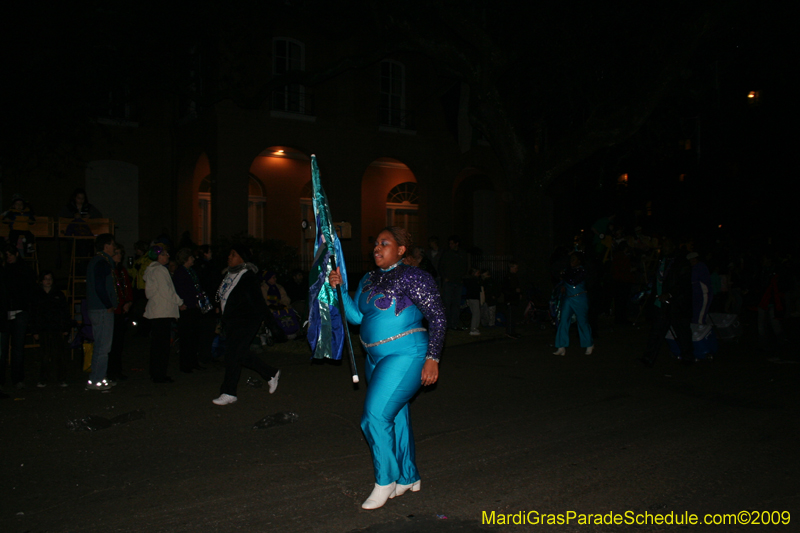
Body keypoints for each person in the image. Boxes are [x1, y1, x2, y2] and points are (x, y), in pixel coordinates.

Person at [329, 226, 445, 510]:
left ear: (401, 249)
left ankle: (386, 480)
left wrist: (433, 357)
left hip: (406, 354)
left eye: (385, 243)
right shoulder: (368, 279)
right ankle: (408, 476)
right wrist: (341, 288)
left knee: (374, 417)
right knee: (396, 418)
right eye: (375, 244)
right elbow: (356, 317)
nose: (377, 248)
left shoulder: (414, 276)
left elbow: (438, 316)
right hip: (374, 359)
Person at [212, 245, 280, 406]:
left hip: (246, 320)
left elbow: (258, 303)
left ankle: (228, 392)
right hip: (233, 320)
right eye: (229, 254)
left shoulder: (248, 277)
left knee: (233, 355)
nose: (229, 257)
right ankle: (270, 373)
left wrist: (272, 325)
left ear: (242, 258)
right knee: (237, 354)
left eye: (233, 254)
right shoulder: (230, 274)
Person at [639, 238, 694, 367]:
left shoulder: (681, 262)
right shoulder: (662, 260)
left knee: (682, 331)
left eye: (667, 245)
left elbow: (683, 283)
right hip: (661, 304)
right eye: (663, 245)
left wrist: (669, 294)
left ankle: (688, 357)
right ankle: (649, 358)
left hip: (676, 304)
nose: (664, 248)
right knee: (656, 332)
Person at [143, 245, 184, 383]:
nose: (167, 256)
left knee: (157, 345)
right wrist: (179, 302)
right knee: (162, 346)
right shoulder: (160, 270)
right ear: (158, 256)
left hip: (157, 311)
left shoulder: (153, 270)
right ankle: (159, 374)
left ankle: (156, 372)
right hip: (162, 312)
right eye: (165, 254)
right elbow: (167, 291)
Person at [85, 233, 118, 390]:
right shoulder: (102, 262)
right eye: (112, 244)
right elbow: (100, 286)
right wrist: (108, 304)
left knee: (102, 345)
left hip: (97, 308)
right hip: (101, 309)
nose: (114, 248)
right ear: (106, 246)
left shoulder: (97, 261)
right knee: (103, 346)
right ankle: (96, 379)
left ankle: (100, 377)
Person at [1, 246, 37, 388]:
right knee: (3, 349)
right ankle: (2, 380)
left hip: (20, 312)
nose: (9, 258)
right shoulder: (4, 270)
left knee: (17, 348)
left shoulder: (24, 270)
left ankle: (17, 378)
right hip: (5, 313)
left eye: (10, 255)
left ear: (16, 254)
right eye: (6, 255)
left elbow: (30, 291)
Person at [31, 271, 70, 387]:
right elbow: (33, 314)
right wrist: (34, 331)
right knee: (44, 355)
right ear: (41, 281)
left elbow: (65, 312)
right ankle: (43, 378)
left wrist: (65, 327)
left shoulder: (59, 294)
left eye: (50, 279)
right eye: (45, 278)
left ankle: (61, 378)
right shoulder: (37, 295)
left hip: (56, 328)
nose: (48, 281)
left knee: (59, 354)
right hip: (43, 329)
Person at [553, 252, 594, 356]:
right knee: (563, 321)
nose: (571, 261)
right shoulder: (568, 270)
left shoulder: (582, 270)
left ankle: (589, 344)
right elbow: (562, 279)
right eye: (571, 259)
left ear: (579, 261)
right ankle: (561, 346)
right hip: (568, 299)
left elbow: (573, 281)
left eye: (574, 259)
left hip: (580, 298)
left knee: (582, 321)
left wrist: (564, 275)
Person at [172, 247, 206, 373]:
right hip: (186, 308)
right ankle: (186, 365)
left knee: (194, 337)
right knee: (186, 338)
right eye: (191, 257)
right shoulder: (180, 272)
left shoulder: (191, 271)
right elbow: (180, 290)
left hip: (194, 307)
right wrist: (183, 303)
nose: (193, 259)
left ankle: (193, 362)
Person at [108, 245, 133, 381]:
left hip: (122, 310)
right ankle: (110, 370)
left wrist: (128, 302)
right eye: (116, 253)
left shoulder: (122, 271)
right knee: (111, 343)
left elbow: (127, 288)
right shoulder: (109, 270)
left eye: (120, 253)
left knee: (119, 343)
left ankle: (117, 370)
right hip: (112, 311)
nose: (119, 256)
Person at [438, 235, 468, 330]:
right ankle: (448, 324)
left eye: (452, 243)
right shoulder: (446, 253)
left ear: (456, 244)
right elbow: (441, 266)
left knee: (456, 304)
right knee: (447, 303)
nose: (450, 245)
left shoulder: (462, 254)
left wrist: (461, 276)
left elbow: (465, 266)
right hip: (449, 281)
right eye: (449, 243)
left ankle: (454, 323)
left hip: (457, 281)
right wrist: (445, 277)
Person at [501, 262, 521, 339]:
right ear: (511, 268)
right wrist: (514, 291)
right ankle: (509, 332)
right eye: (515, 268)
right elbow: (505, 289)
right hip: (510, 299)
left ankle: (512, 331)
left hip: (514, 299)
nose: (517, 270)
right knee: (510, 316)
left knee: (513, 316)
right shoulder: (507, 277)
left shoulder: (514, 276)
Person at [464, 267, 482, 335]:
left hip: (471, 298)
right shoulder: (474, 280)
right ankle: (473, 328)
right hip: (474, 298)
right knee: (476, 313)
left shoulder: (469, 280)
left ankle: (475, 328)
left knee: (476, 313)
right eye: (478, 273)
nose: (479, 274)